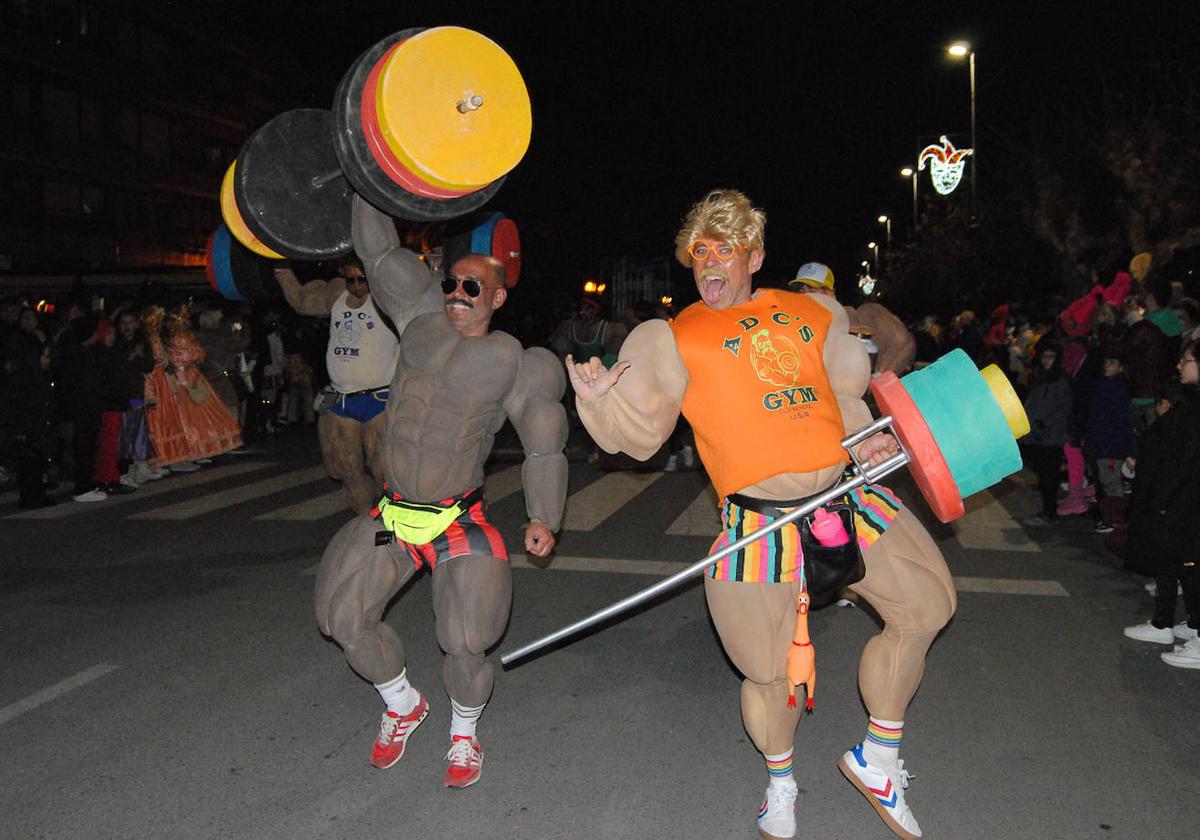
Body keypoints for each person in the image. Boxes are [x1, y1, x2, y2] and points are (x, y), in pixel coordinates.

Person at [566, 190, 953, 840]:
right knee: (767, 676)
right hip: (757, 528)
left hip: (843, 499)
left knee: (929, 606)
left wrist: (870, 440)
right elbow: (633, 437)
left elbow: (845, 397)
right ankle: (780, 783)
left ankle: (878, 759)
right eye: (700, 252)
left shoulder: (811, 312)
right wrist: (602, 402)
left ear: (755, 256)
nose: (710, 264)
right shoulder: (672, 337)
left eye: (725, 250)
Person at [315, 196, 568, 789]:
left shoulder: (516, 361)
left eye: (472, 288)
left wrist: (544, 515)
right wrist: (363, 171)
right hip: (394, 516)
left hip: (458, 519)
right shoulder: (419, 319)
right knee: (341, 617)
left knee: (465, 641)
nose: (457, 293)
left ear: (499, 298)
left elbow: (545, 445)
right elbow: (377, 253)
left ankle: (463, 733)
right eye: (453, 282)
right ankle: (403, 705)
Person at [275, 256, 400, 515]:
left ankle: (394, 524)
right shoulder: (336, 295)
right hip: (342, 398)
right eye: (350, 279)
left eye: (362, 279)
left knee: (382, 470)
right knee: (347, 469)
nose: (355, 285)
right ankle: (365, 523)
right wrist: (280, 268)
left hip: (379, 400)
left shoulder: (388, 299)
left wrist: (436, 268)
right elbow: (301, 300)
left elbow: (425, 298)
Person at [1122, 343, 1200, 668]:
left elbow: (1185, 459)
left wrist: (1164, 497)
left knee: (1193, 566)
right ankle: (1166, 623)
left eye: (1187, 360)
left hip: (1188, 500)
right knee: (1175, 560)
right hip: (1182, 500)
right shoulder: (1192, 404)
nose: (1181, 365)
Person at [789, 262, 915, 376]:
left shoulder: (853, 317)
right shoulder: (794, 322)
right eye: (802, 291)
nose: (808, 296)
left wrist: (878, 377)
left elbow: (904, 343)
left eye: (814, 290)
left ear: (831, 293)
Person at [1020, 341, 1071, 525]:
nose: (1047, 361)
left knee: (1050, 477)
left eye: (1051, 357)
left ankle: (1049, 513)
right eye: (1044, 357)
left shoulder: (1060, 380)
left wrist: (1045, 423)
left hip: (1051, 436)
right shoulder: (1041, 378)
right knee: (1044, 476)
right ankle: (1048, 511)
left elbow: (1061, 408)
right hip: (1040, 435)